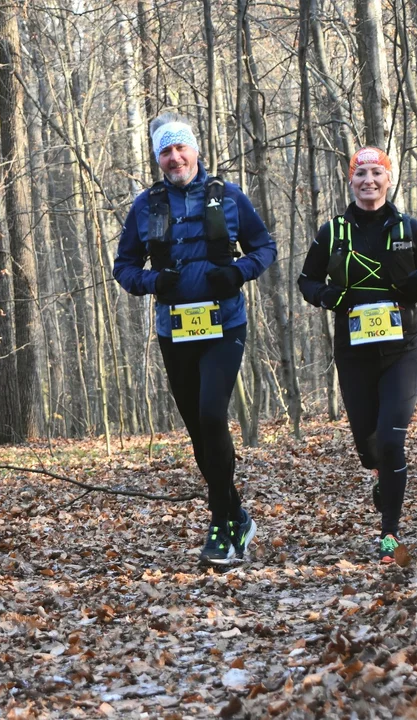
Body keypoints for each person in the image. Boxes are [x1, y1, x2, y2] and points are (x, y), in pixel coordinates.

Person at [113, 113, 276, 566]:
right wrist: (151, 283)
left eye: (180, 148)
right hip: (176, 330)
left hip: (225, 325)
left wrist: (237, 272)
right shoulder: (146, 206)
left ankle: (221, 523)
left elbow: (265, 247)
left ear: (195, 150)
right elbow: (123, 267)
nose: (174, 157)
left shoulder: (228, 197)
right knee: (199, 433)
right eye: (165, 151)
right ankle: (237, 516)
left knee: (211, 415)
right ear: (157, 158)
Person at [297, 147, 417, 564]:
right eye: (360, 173)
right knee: (369, 448)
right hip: (355, 350)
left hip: (403, 348)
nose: (369, 181)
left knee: (391, 440)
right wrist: (324, 295)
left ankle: (389, 534)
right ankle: (381, 474)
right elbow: (306, 280)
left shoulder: (408, 228)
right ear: (351, 180)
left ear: (388, 178)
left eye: (376, 173)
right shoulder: (333, 232)